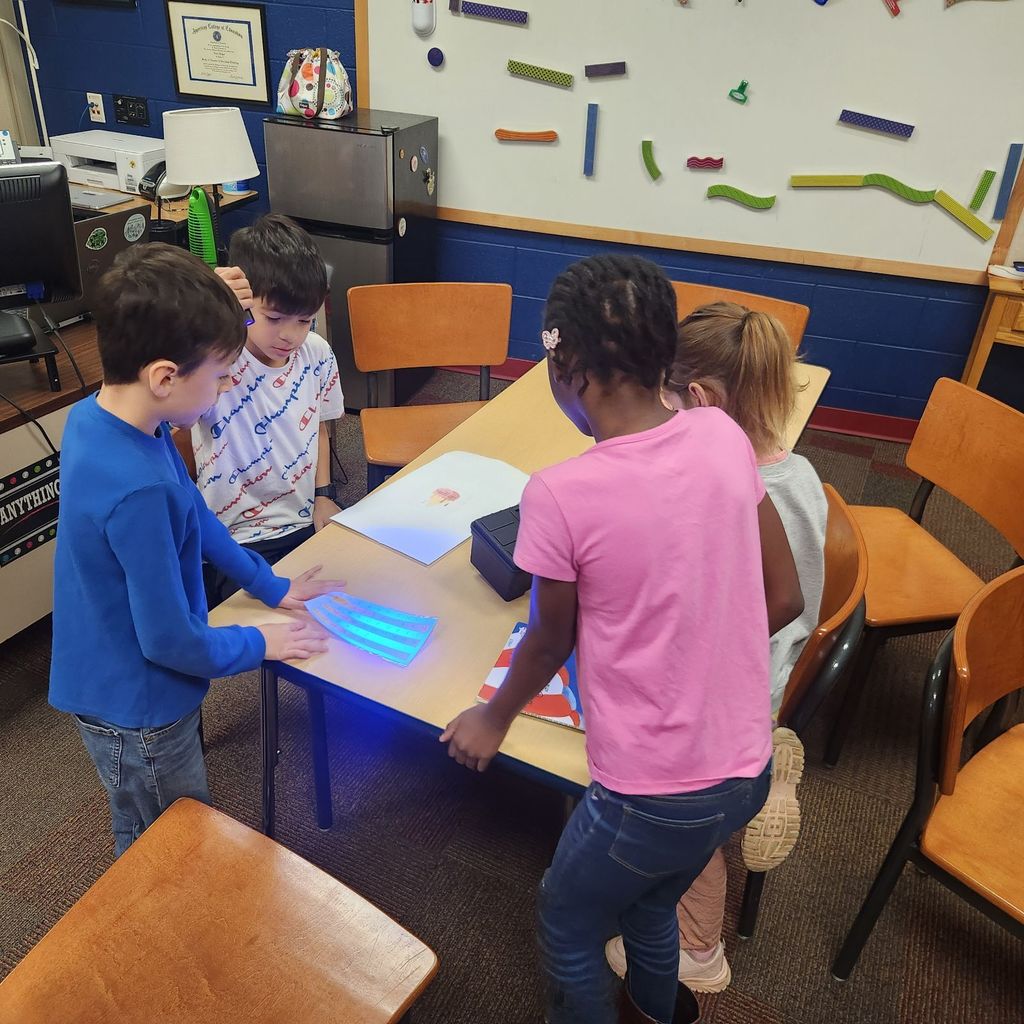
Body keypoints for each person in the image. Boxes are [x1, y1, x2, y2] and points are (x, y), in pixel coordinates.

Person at [439, 256, 804, 1024]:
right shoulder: (720, 435)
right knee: (649, 903)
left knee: (567, 918)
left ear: (563, 365)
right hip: (744, 767)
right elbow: (783, 595)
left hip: (652, 794)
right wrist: (693, 652)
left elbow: (547, 640)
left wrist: (489, 719)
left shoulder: (560, 495)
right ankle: (651, 1009)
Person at [49, 244, 340, 857]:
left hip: (103, 672)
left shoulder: (99, 418)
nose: (225, 387)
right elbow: (171, 643)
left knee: (144, 819)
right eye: (218, 374)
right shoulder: (140, 489)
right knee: (174, 840)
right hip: (142, 707)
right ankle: (167, 936)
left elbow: (198, 515)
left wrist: (271, 586)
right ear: (163, 377)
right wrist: (261, 642)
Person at [608, 300, 827, 993]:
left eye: (665, 400)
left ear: (699, 400)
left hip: (721, 705)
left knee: (672, 810)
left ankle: (699, 950)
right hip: (776, 668)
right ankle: (766, 764)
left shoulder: (729, 499)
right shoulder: (796, 475)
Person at [192, 214, 344, 608]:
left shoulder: (317, 353)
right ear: (244, 305)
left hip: (302, 520)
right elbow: (159, 365)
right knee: (286, 624)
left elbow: (321, 428)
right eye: (273, 318)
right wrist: (209, 306)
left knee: (352, 596)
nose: (290, 334)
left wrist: (323, 494)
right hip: (231, 541)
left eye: (304, 320)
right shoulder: (217, 359)